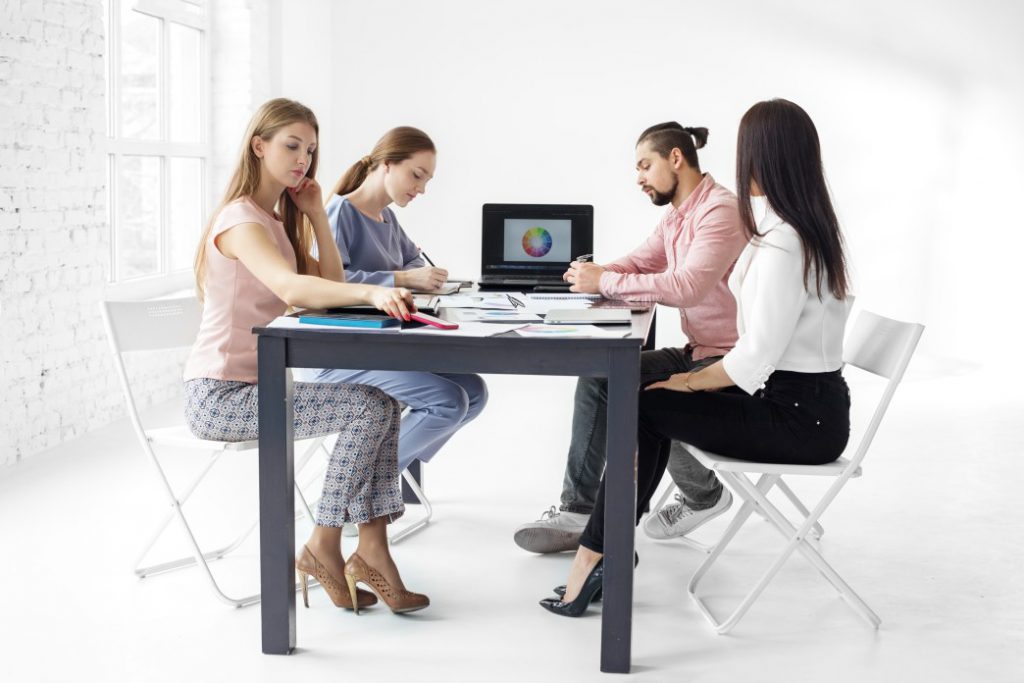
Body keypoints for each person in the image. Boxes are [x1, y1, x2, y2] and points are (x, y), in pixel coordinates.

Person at [540, 98, 853, 616]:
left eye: (745, 152)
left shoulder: (783, 244)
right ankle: (602, 551)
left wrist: (684, 384)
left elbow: (754, 359)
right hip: (796, 405)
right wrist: (598, 277)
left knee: (641, 404)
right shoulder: (786, 234)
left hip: (800, 419)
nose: (738, 165)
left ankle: (595, 555)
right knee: (637, 400)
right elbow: (653, 264)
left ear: (765, 159)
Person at [183, 98, 428, 615]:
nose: (303, 159)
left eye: (311, 150)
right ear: (259, 146)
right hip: (221, 395)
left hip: (266, 385)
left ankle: (371, 550)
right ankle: (325, 543)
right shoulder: (240, 220)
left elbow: (331, 283)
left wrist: (317, 212)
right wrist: (373, 294)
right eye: (291, 145)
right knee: (370, 406)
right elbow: (292, 286)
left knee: (381, 402)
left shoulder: (275, 221)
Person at [513, 122, 748, 553]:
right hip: (698, 351)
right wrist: (590, 276)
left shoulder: (721, 211)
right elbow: (640, 263)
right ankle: (578, 510)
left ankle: (703, 493)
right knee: (602, 373)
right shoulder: (677, 216)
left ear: (675, 158)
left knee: (646, 395)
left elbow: (687, 286)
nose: (638, 177)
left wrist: (605, 282)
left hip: (732, 362)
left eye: (644, 165)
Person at [295, 127, 488, 477]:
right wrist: (401, 279)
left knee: (473, 391)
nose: (421, 189)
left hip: (378, 347)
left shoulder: (387, 218)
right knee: (448, 401)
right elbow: (327, 285)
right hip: (336, 353)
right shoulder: (341, 213)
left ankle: (377, 476)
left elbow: (414, 260)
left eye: (427, 180)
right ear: (387, 164)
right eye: (416, 175)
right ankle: (358, 485)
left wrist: (417, 275)